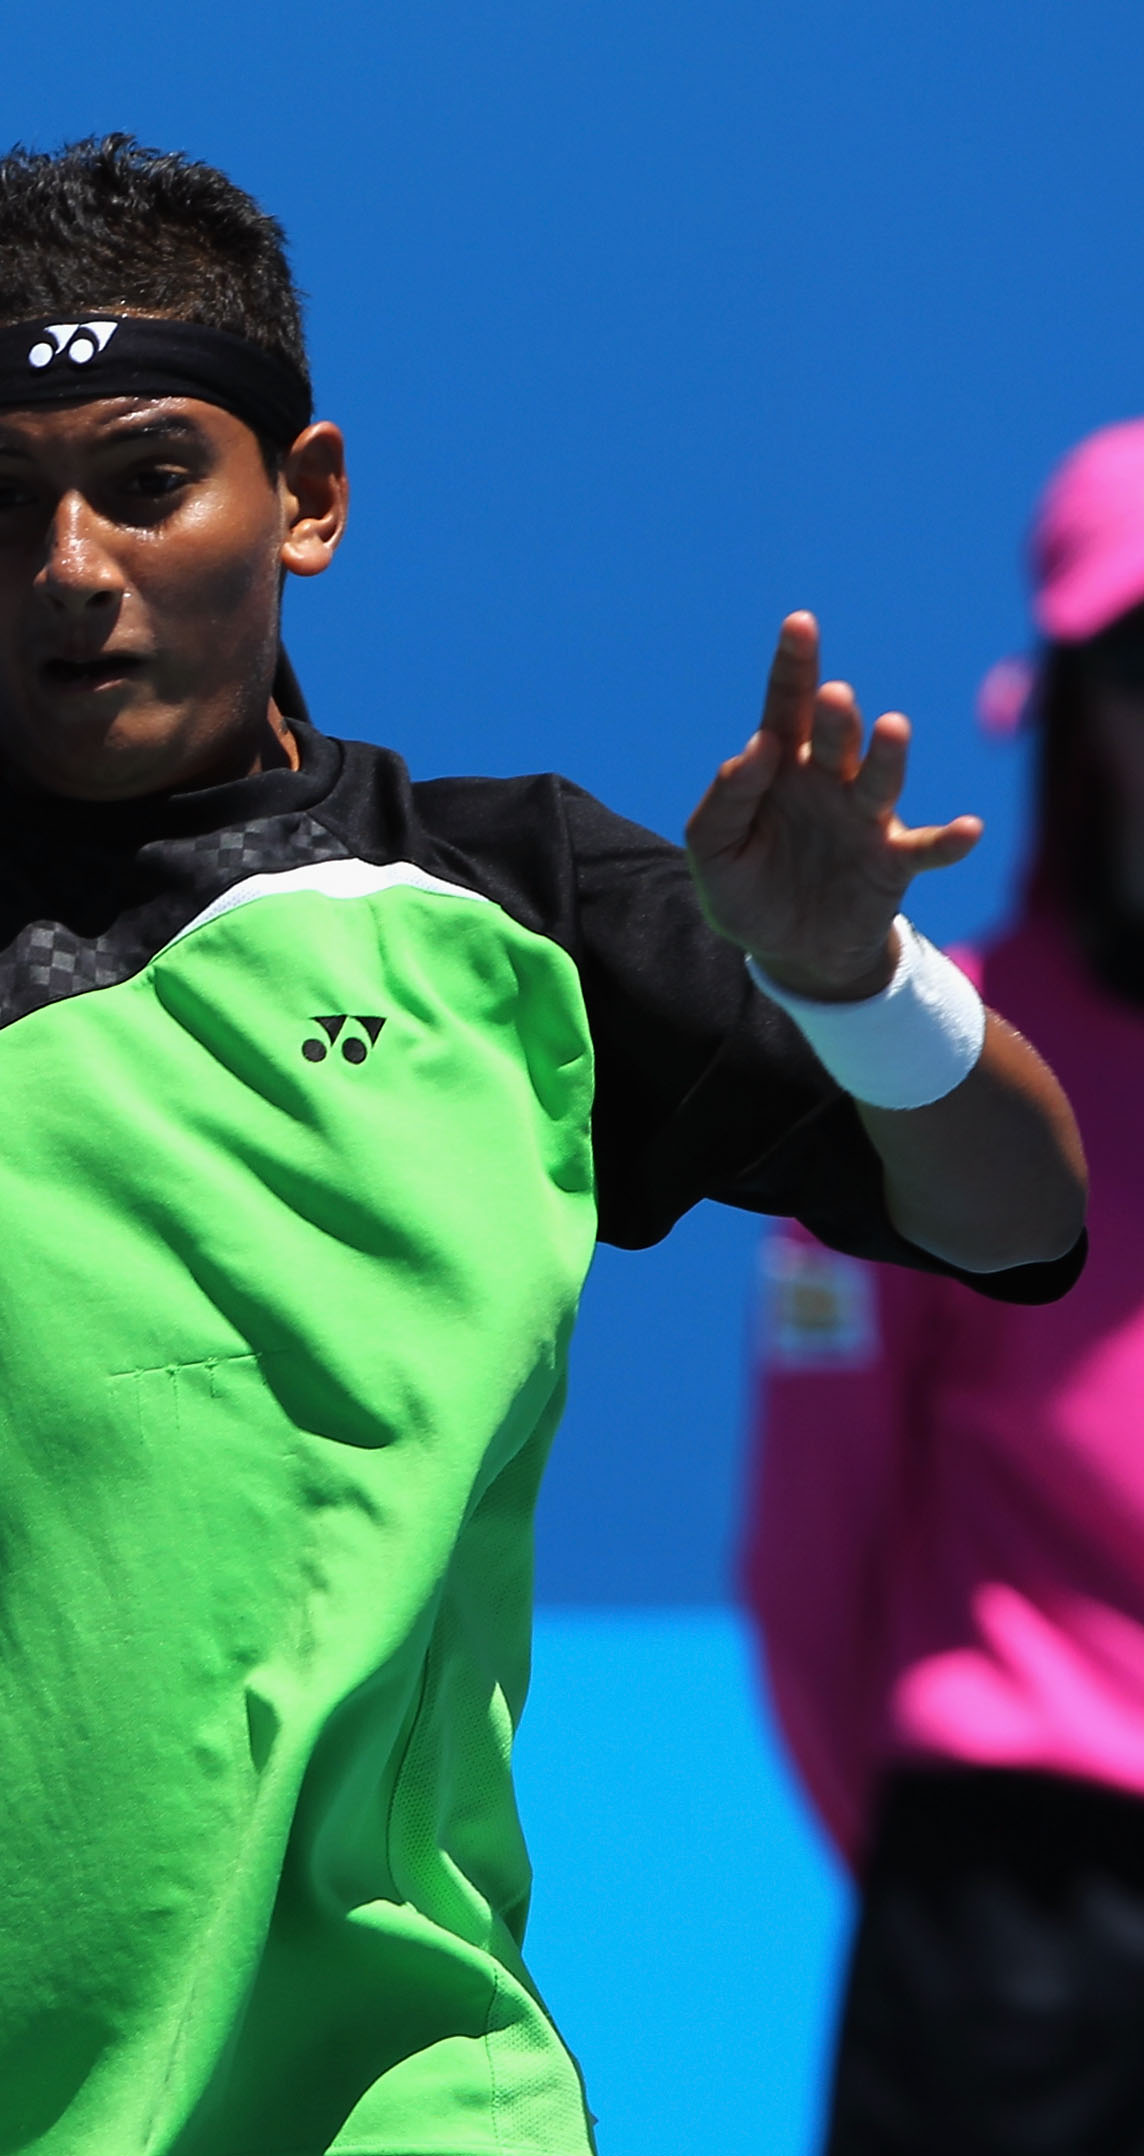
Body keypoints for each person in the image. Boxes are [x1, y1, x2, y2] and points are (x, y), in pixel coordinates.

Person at [0, 138, 1088, 2156]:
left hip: (417, 2102)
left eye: (145, 478)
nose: (73, 565)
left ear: (308, 502)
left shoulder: (516, 905)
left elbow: (1021, 1211)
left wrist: (849, 977)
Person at [746, 417, 1144, 2156]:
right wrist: (946, 1879)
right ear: (1068, 710)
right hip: (1005, 1924)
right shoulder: (928, 1071)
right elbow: (811, 1564)